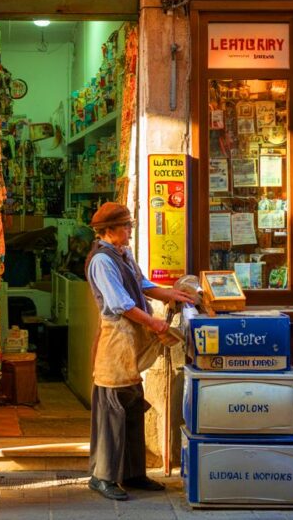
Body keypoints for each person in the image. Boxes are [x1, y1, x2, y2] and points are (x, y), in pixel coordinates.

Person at [84, 202, 194, 501]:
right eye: (125, 226)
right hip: (115, 337)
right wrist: (155, 323)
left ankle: (133, 473)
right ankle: (102, 476)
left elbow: (141, 284)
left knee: (132, 404)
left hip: (130, 338)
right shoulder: (102, 261)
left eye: (130, 225)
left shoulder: (123, 253)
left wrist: (169, 293)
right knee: (112, 406)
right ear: (108, 231)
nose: (130, 231)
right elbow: (121, 303)